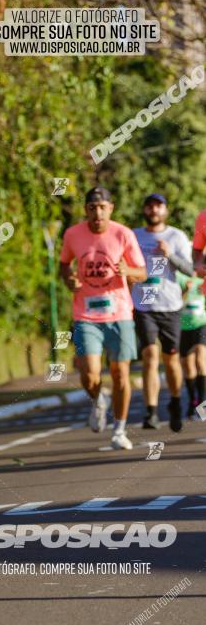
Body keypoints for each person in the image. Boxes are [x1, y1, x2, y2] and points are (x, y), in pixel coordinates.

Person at [59, 187, 147, 451]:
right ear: (86, 210)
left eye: (102, 207)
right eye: (92, 207)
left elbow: (142, 272)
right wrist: (69, 279)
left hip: (119, 313)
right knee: (89, 373)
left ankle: (119, 430)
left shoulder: (123, 234)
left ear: (111, 208)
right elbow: (64, 264)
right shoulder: (73, 234)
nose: (97, 212)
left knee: (121, 375)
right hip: (86, 314)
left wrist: (127, 269)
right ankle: (98, 400)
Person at [131, 194, 193, 431]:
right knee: (149, 356)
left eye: (158, 206)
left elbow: (190, 270)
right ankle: (151, 411)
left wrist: (170, 255)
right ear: (144, 210)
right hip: (143, 305)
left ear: (165, 210)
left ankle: (175, 403)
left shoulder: (176, 236)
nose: (154, 210)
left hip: (170, 305)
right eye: (149, 206)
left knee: (171, 360)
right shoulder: (134, 236)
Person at [176, 270, 206, 417]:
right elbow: (173, 304)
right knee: (188, 367)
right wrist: (185, 291)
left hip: (201, 325)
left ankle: (202, 401)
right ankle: (192, 399)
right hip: (183, 327)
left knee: (201, 358)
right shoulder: (178, 277)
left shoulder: (203, 279)